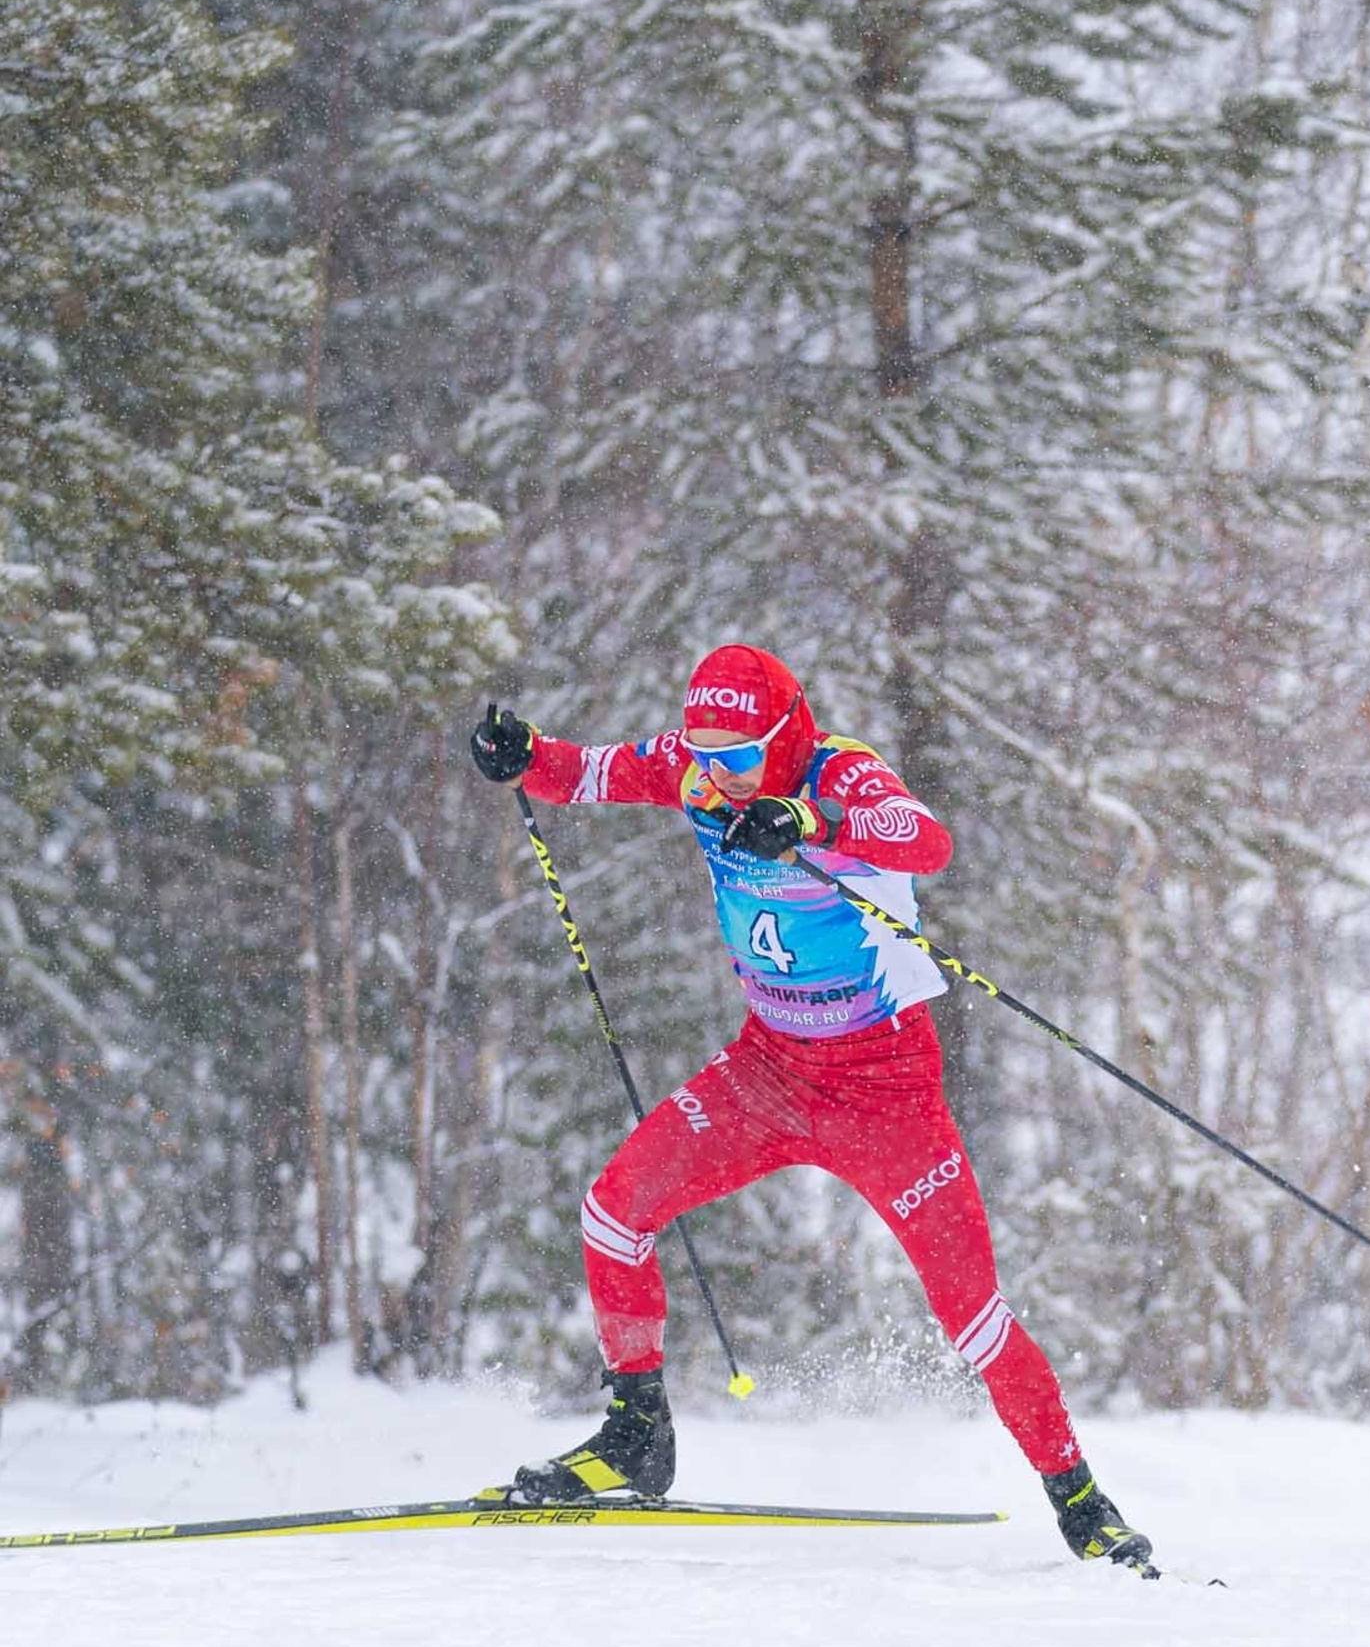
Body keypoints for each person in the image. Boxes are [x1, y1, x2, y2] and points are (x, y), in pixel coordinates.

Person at [468, 644, 1153, 1570]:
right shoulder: (701, 771)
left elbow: (926, 839)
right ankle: (635, 1435)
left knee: (973, 1315)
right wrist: (525, 754)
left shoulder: (843, 771)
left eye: (741, 757)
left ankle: (1082, 1503)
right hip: (767, 1074)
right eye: (705, 754)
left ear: (786, 735)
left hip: (885, 1093)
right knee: (613, 1215)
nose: (717, 774)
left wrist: (810, 820)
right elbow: (591, 772)